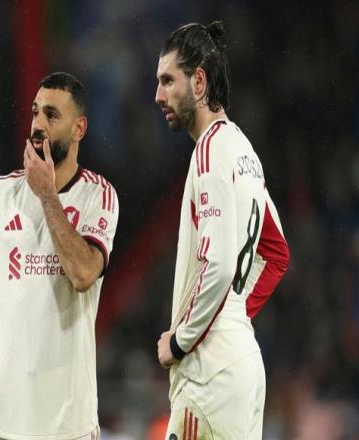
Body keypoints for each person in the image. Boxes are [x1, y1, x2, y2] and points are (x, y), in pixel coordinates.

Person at [0, 72, 119, 440]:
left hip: (69, 428)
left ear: (79, 128)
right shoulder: (0, 195)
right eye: (35, 112)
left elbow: (83, 274)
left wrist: (47, 195)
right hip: (4, 425)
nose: (37, 124)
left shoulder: (98, 196)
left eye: (51, 115)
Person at [155, 22, 290, 439]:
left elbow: (218, 265)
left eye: (167, 81)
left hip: (208, 376)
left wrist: (180, 340)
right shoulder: (244, 150)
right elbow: (276, 253)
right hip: (242, 365)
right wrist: (233, 315)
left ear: (198, 81)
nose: (158, 95)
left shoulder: (210, 150)